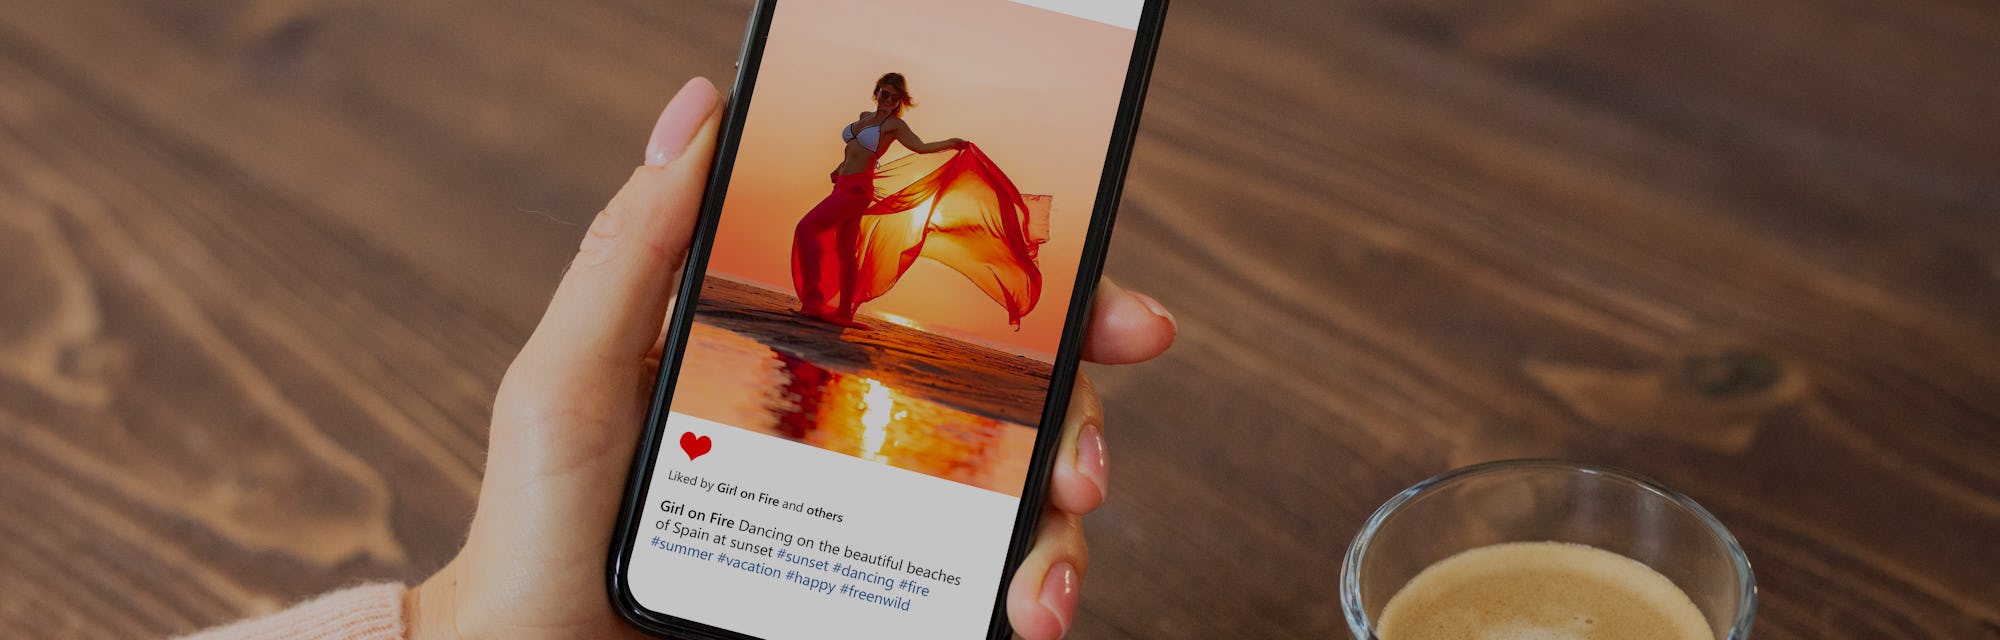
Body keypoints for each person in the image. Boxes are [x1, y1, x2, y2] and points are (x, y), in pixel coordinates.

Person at [178, 78, 1177, 640]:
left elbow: (914, 142)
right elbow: (895, 142)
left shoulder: (885, 132)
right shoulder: (871, 131)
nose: (890, 103)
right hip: (837, 214)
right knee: (833, 299)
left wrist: (457, 624)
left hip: (840, 214)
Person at [793, 72, 1047, 329]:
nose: (888, 99)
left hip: (857, 191)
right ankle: (845, 312)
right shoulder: (863, 119)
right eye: (885, 93)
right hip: (842, 186)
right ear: (877, 90)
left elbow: (920, 147)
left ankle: (813, 301)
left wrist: (950, 142)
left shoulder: (895, 126)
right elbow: (854, 151)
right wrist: (840, 167)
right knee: (847, 252)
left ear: (900, 100)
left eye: (895, 97)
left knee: (806, 228)